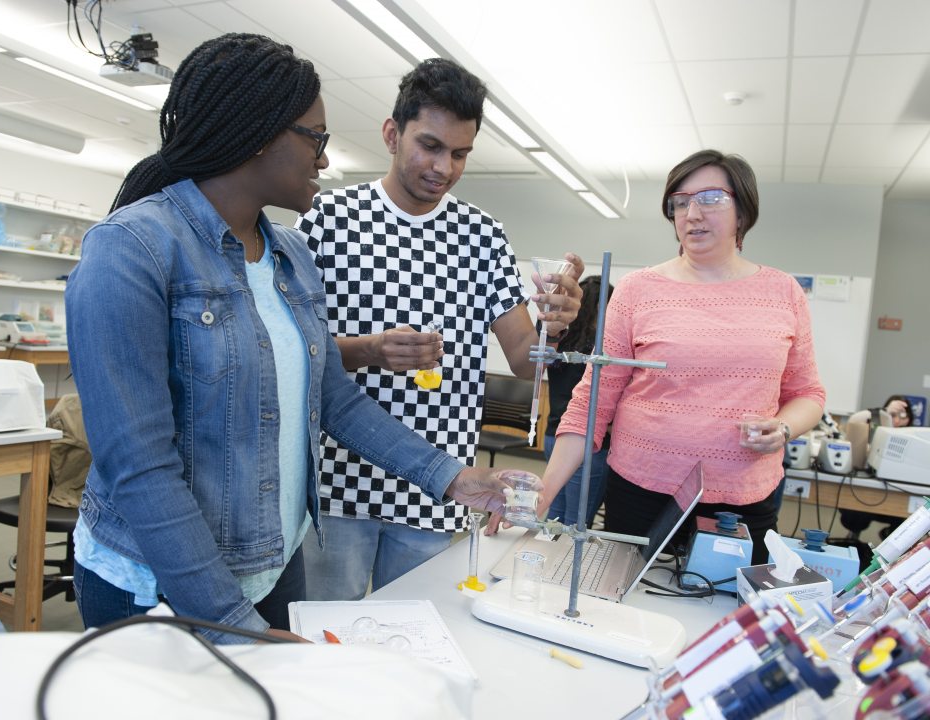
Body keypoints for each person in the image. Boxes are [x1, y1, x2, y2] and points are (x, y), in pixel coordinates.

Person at [64, 34, 513, 643]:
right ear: (258, 134)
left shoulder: (289, 257)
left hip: (271, 565)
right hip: (161, 587)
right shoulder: (131, 251)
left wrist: (451, 477)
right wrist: (230, 623)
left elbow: (335, 398)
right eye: (316, 138)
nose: (324, 160)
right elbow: (139, 467)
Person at [295, 58, 583, 600]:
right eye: (429, 145)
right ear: (391, 134)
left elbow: (525, 360)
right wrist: (369, 350)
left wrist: (557, 324)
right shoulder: (326, 219)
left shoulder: (482, 234)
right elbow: (289, 350)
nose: (443, 167)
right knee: (323, 642)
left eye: (459, 154)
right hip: (335, 484)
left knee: (415, 645)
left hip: (440, 486)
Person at [496, 149, 827, 565]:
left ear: (742, 211)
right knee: (624, 602)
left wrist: (783, 426)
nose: (692, 212)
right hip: (641, 489)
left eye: (710, 198)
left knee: (720, 610)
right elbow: (592, 402)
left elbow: (808, 393)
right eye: (680, 201)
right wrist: (542, 497)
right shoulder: (638, 290)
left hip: (743, 495)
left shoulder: (784, 293)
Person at [543, 275, 613, 527]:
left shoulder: (561, 341)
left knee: (554, 516)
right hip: (589, 444)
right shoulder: (604, 351)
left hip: (553, 436)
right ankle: (564, 567)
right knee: (577, 522)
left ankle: (547, 564)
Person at [840, 394, 915, 538]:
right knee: (855, 512)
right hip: (870, 494)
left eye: (903, 416)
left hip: (898, 498)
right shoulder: (871, 428)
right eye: (893, 415)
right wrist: (883, 414)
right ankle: (853, 539)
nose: (898, 421)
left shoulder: (914, 438)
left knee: (908, 521)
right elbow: (854, 421)